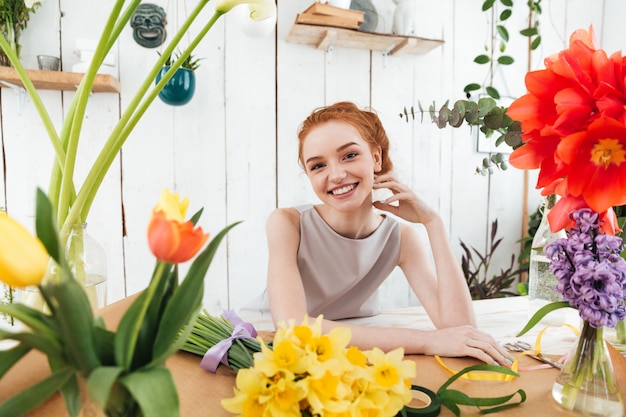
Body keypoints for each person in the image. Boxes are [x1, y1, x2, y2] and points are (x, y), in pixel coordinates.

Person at [250, 101, 513, 365]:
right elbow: (294, 328)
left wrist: (433, 223)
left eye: (349, 155)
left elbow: (461, 330)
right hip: (266, 344)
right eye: (318, 166)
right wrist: (427, 341)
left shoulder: (401, 238)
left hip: (345, 354)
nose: (337, 174)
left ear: (376, 158)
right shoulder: (287, 223)